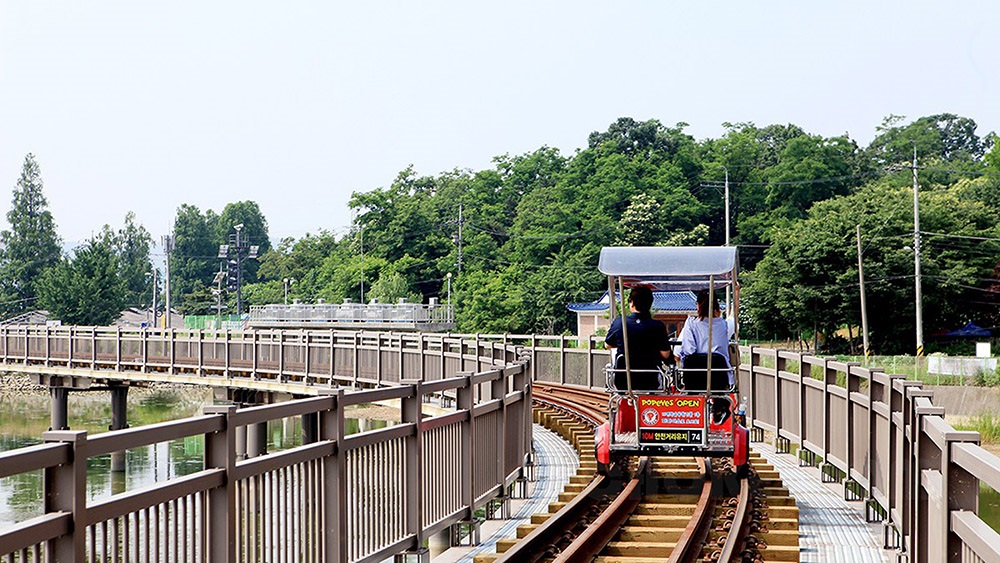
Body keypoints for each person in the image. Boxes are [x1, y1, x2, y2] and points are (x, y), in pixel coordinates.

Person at [605, 286, 673, 389]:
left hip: (623, 380)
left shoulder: (619, 322)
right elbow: (666, 354)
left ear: (632, 303)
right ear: (650, 304)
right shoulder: (658, 326)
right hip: (650, 380)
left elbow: (607, 344)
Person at [678, 289, 734, 388]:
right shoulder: (723, 324)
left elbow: (689, 349)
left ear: (698, 305)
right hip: (719, 374)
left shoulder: (691, 324)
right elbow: (733, 317)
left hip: (695, 377)